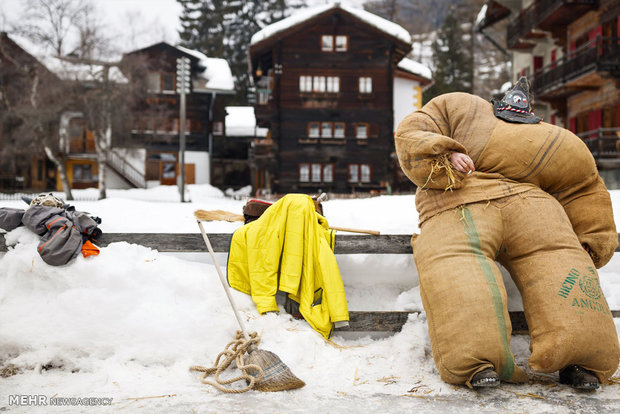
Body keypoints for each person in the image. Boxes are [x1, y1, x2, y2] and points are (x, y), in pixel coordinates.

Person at [395, 77, 619, 390]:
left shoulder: (457, 106)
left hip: (467, 202)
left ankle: (478, 360)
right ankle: (581, 359)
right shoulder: (557, 139)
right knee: (560, 260)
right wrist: (595, 240)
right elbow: (584, 187)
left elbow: (412, 131)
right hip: (489, 200)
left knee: (456, 263)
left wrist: (440, 158)